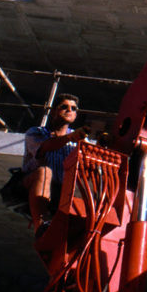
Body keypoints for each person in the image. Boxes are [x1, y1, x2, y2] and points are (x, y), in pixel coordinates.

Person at [23, 93, 86, 230]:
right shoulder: (35, 132)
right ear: (53, 111)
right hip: (29, 186)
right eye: (64, 106)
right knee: (44, 171)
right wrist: (70, 138)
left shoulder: (79, 140)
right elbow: (46, 146)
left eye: (73, 108)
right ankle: (41, 226)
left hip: (59, 192)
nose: (70, 110)